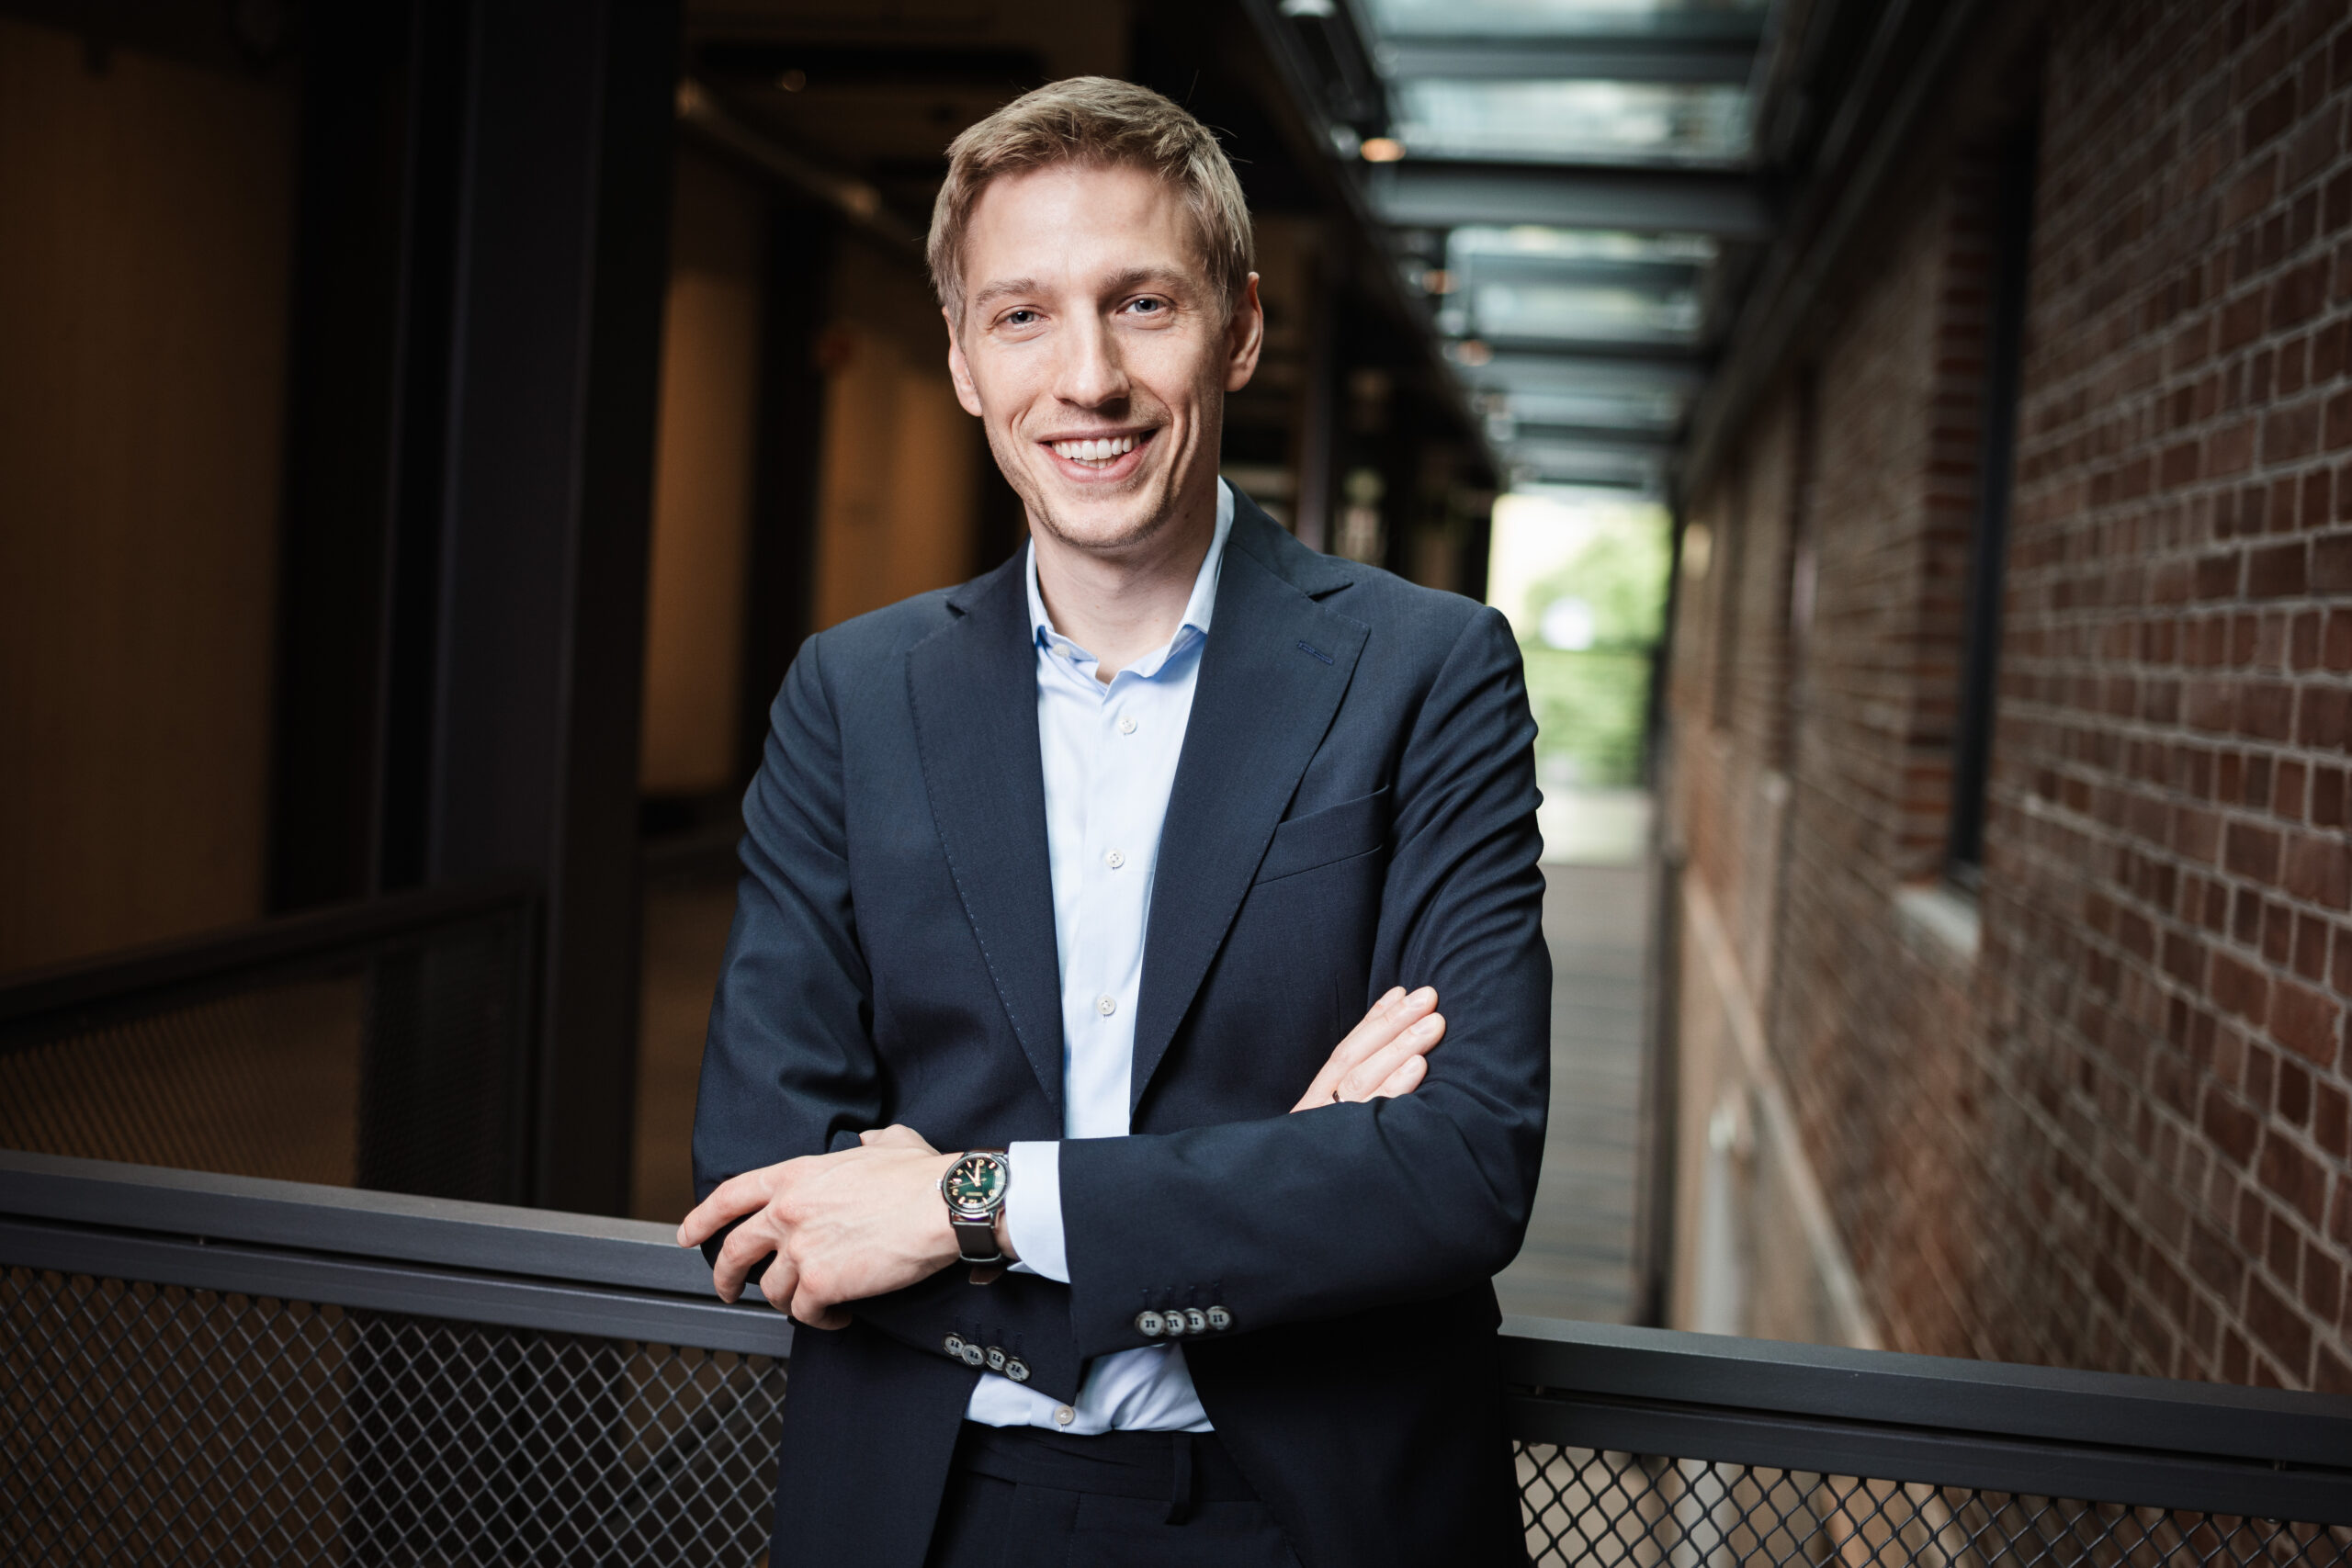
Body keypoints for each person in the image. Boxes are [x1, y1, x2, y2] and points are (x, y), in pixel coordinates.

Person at [680, 76, 1550, 1568]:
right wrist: (1274, 1182)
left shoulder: (1428, 672)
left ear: (1240, 328)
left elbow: (1454, 1171)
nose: (1087, 378)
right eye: (1022, 315)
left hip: (1309, 1515)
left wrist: (960, 1201)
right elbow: (770, 1181)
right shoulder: (851, 696)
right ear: (962, 357)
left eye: (1143, 305)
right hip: (933, 1507)